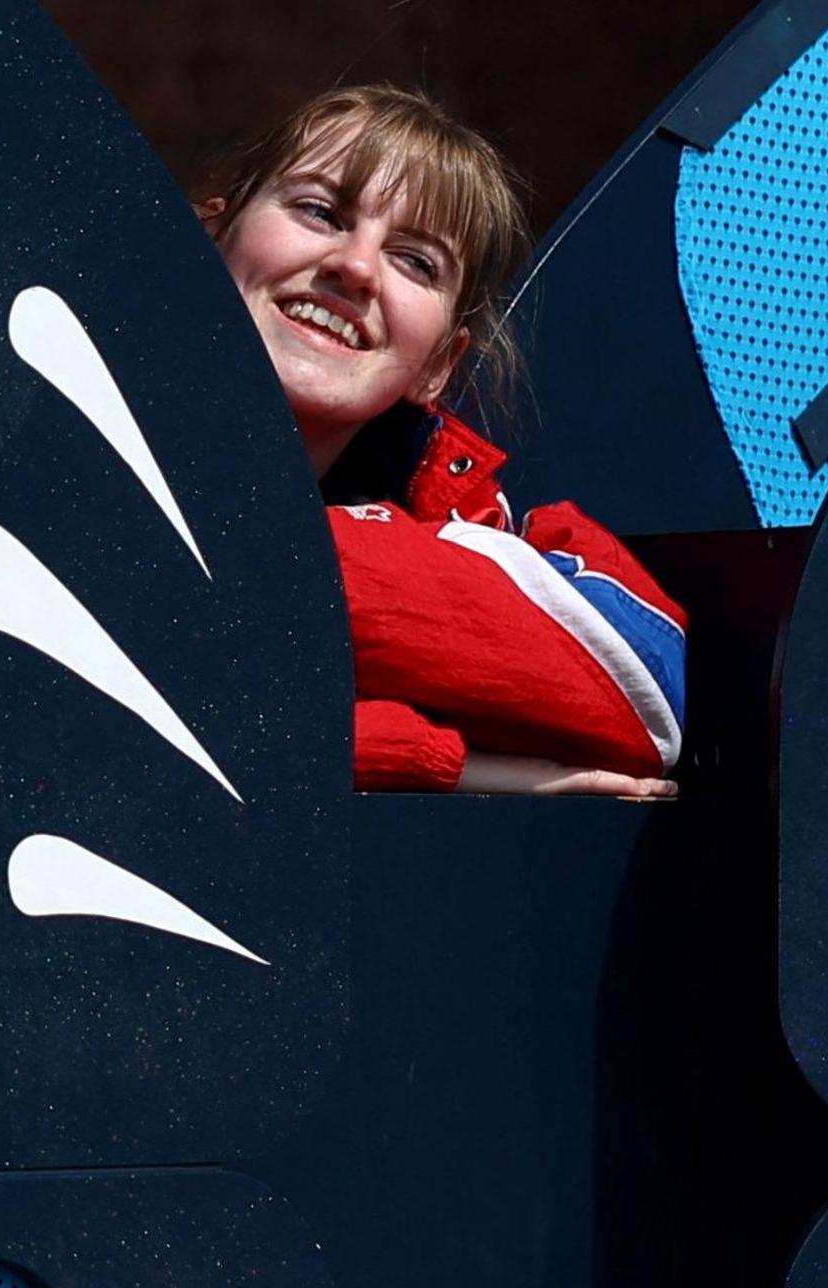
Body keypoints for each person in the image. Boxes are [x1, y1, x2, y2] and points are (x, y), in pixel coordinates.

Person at [202, 85, 683, 800]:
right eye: (319, 212)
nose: (356, 268)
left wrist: (233, 580)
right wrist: (448, 761)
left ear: (438, 367)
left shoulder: (464, 520)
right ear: (210, 239)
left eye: (416, 262)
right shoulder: (39, 427)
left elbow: (648, 687)